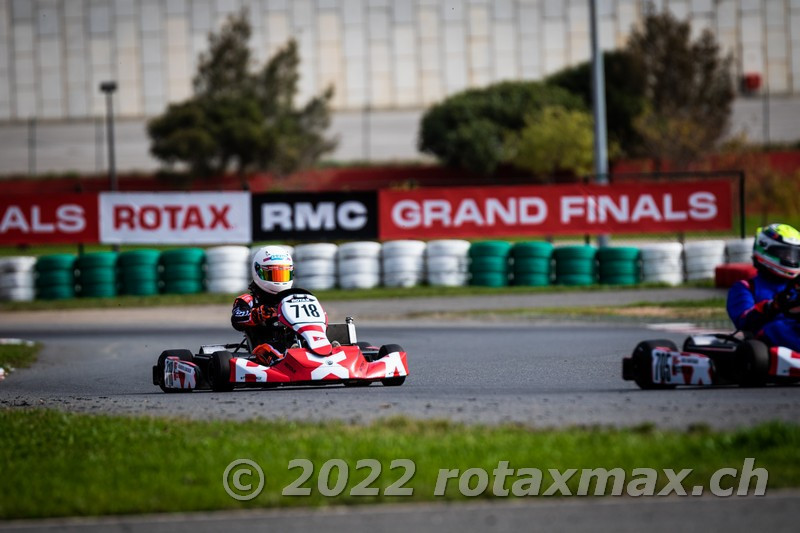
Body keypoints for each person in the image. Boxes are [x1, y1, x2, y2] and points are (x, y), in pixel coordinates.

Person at [231, 245, 311, 365]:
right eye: (273, 274)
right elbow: (237, 319)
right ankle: (288, 358)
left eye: (283, 274)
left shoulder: (293, 298)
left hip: (296, 339)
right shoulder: (248, 300)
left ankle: (322, 350)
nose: (279, 280)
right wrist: (257, 314)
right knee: (271, 348)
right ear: (258, 272)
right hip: (263, 345)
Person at [727, 223, 800, 351]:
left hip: (795, 328)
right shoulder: (745, 287)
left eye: (795, 255)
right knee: (778, 328)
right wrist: (772, 306)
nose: (790, 259)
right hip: (765, 341)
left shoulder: (796, 285)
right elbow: (744, 320)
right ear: (764, 249)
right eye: (785, 254)